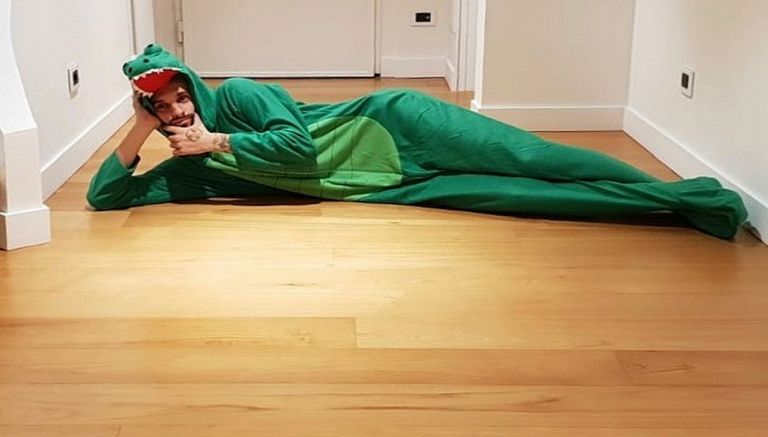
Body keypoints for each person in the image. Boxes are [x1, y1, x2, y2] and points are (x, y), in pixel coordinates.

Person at [87, 44, 748, 239]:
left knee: (536, 158)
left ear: (193, 85)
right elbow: (106, 196)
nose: (178, 111)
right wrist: (142, 129)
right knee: (530, 196)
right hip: (393, 183)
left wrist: (218, 140)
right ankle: (683, 206)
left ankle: (680, 191)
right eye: (161, 107)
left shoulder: (236, 97)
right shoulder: (193, 168)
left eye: (179, 95)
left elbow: (299, 151)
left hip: (398, 123)